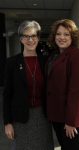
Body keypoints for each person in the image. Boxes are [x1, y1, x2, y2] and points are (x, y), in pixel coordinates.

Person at [3, 20, 54, 150]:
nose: (30, 40)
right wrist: (7, 123)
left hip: (43, 117)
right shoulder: (12, 63)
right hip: (20, 118)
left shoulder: (46, 60)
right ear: (21, 39)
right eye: (26, 36)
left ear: (38, 38)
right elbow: (7, 94)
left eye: (33, 36)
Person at [46, 19, 79, 150]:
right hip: (60, 116)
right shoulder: (55, 56)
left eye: (66, 34)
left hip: (74, 119)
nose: (62, 37)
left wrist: (72, 122)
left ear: (73, 37)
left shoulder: (78, 56)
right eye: (58, 34)